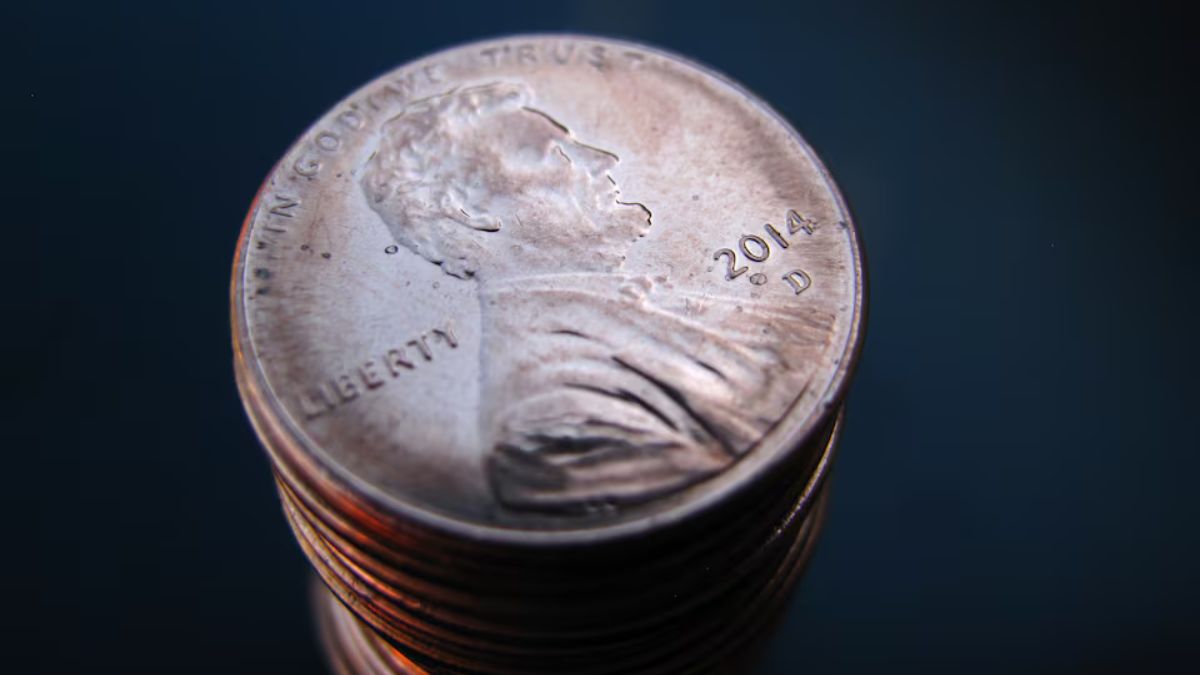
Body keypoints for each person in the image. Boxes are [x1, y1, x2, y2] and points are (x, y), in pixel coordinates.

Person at [361, 83, 831, 515]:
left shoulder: (658, 304)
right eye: (555, 152)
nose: (602, 159)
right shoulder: (553, 429)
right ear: (472, 209)